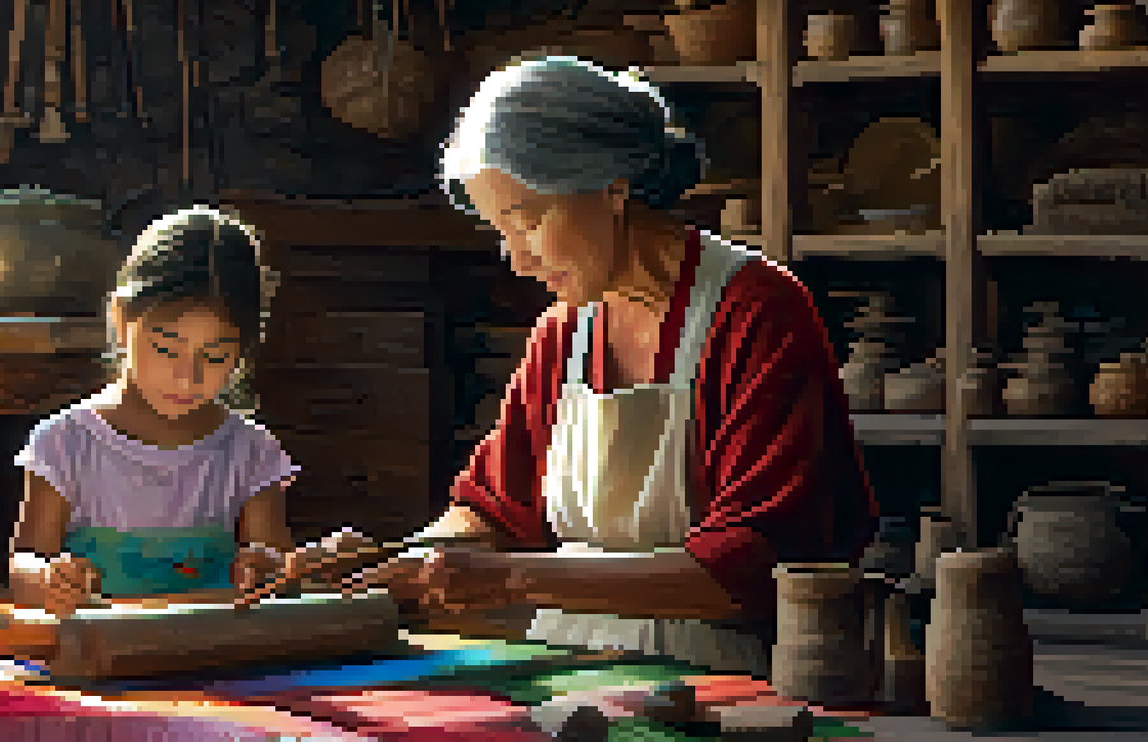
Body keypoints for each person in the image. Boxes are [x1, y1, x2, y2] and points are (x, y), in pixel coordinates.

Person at [260, 56, 878, 677]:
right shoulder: (564, 331)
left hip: (724, 678)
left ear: (613, 186)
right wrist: (384, 561)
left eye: (528, 218)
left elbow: (750, 567)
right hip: (564, 664)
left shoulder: (754, 311)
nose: (517, 260)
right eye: (501, 230)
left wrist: (510, 578)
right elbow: (493, 513)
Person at [9, 206, 296, 616]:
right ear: (121, 319)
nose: (187, 377)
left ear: (245, 350)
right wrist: (47, 580)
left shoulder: (250, 455)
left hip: (216, 664)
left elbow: (278, 577)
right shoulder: (65, 444)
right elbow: (24, 566)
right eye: (166, 350)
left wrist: (270, 571)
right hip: (96, 666)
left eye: (215, 357)